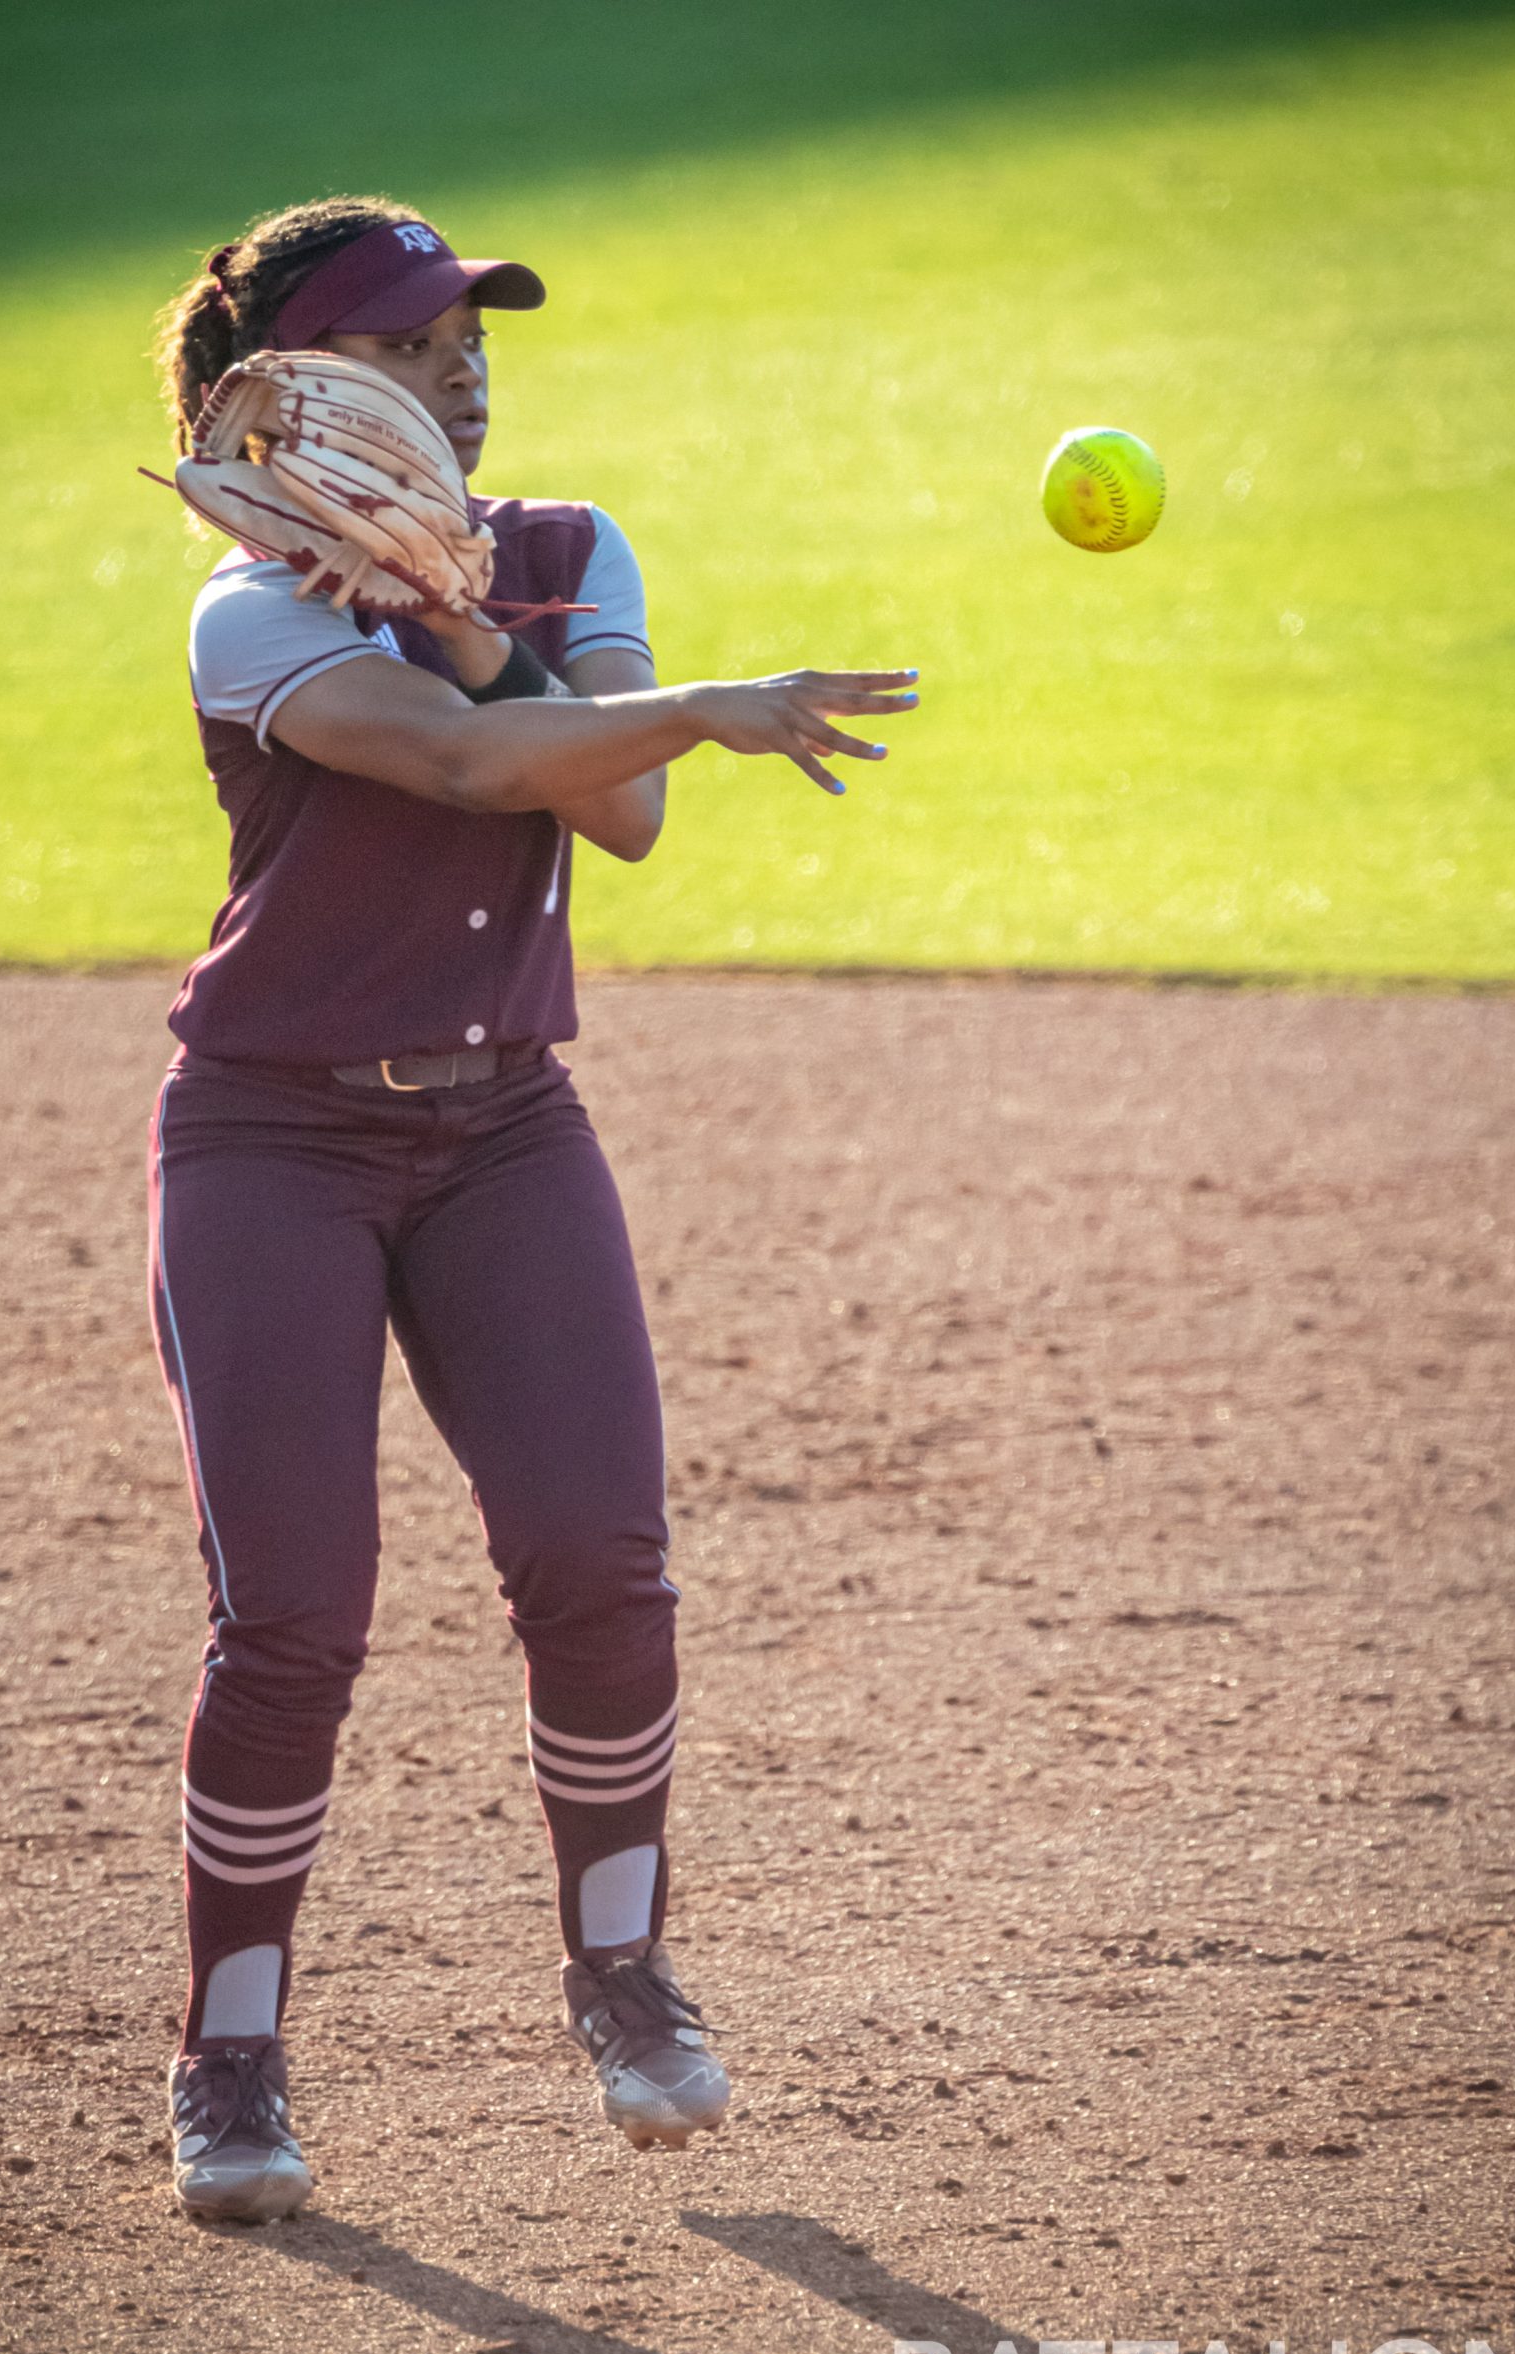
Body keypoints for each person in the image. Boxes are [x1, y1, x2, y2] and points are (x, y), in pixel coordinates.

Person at [148, 193, 917, 2220]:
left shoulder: (570, 552)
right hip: (274, 1146)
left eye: (472, 338)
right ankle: (230, 2059)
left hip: (506, 1133)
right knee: (293, 1613)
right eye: (411, 347)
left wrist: (510, 626)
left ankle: (621, 1969)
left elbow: (618, 811)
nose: (464, 369)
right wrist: (693, 700)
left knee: (598, 1554)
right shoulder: (250, 612)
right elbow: (481, 772)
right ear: (295, 396)